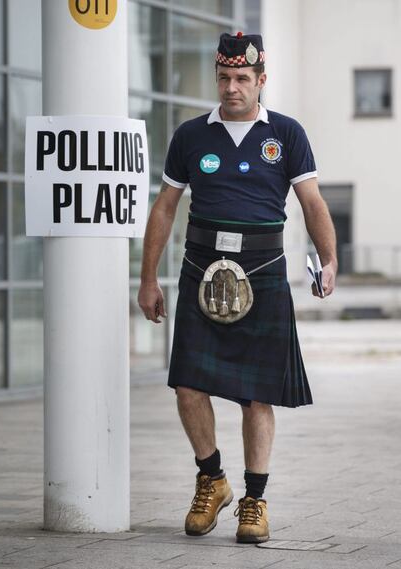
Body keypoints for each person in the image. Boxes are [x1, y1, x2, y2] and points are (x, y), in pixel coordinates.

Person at [138, 31, 337, 544]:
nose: (232, 88)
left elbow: (312, 204)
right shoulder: (190, 136)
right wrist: (148, 278)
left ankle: (254, 500)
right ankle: (212, 478)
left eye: (242, 79)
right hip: (200, 266)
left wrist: (330, 259)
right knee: (187, 383)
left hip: (263, 269)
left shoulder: (286, 135)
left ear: (260, 80)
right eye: (224, 78)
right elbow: (165, 207)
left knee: (256, 394)